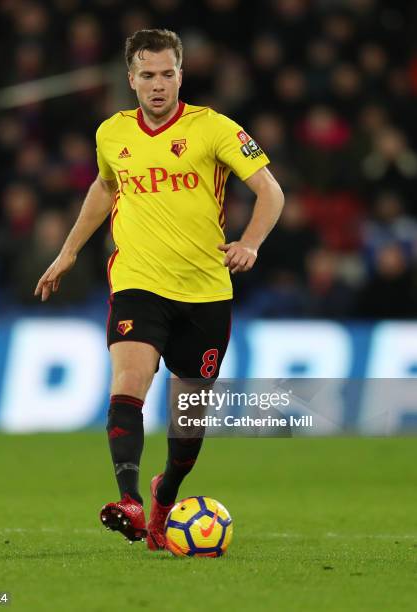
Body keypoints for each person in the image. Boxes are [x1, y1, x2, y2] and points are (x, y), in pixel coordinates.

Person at [34, 29, 284, 550]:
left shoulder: (213, 127)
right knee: (128, 383)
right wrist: (70, 250)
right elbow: (105, 187)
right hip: (138, 283)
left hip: (206, 291)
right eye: (147, 75)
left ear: (180, 76)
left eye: (167, 74)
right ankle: (128, 498)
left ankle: (164, 495)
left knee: (187, 422)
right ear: (131, 79)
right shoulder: (111, 134)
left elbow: (270, 191)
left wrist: (252, 243)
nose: (157, 84)